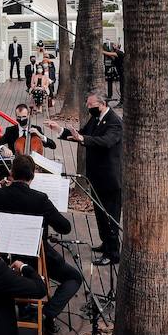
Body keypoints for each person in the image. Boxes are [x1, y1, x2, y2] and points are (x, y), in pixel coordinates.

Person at [0, 155, 82, 333]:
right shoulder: (40, 199)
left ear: (11, 173)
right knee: (74, 278)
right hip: (36, 257)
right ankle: (47, 313)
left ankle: (23, 307)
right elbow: (65, 227)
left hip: (6, 257)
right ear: (32, 176)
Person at [51, 92, 123, 266]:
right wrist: (59, 129)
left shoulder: (114, 122)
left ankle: (113, 253)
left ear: (103, 103)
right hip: (96, 176)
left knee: (110, 215)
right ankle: (105, 243)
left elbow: (105, 142)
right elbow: (81, 134)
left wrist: (83, 138)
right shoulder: (96, 119)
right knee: (99, 213)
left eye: (92, 106)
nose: (89, 109)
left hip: (110, 178)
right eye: (88, 106)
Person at [0, 104, 55, 179]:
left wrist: (40, 135)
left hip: (33, 168)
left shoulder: (36, 130)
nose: (21, 119)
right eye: (19, 117)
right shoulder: (10, 130)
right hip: (16, 168)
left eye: (24, 117)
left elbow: (53, 145)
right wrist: (4, 148)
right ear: (15, 116)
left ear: (28, 115)